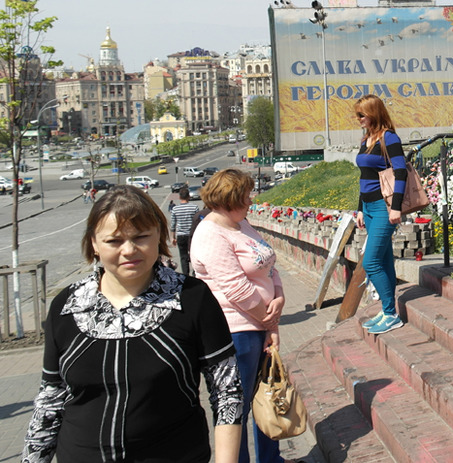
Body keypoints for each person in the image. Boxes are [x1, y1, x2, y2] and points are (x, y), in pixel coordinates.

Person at [23, 185, 243, 463]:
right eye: (114, 241)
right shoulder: (66, 306)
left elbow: (226, 392)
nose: (129, 250)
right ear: (94, 243)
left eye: (141, 237)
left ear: (159, 237)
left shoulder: (192, 298)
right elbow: (50, 402)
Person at [190, 169, 291, 463]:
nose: (250, 200)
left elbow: (268, 263)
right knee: (238, 407)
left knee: (267, 398)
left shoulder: (240, 224)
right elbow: (236, 288)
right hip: (236, 331)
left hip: (259, 324)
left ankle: (271, 459)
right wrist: (269, 321)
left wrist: (280, 295)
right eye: (245, 195)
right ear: (229, 198)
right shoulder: (210, 233)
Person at [353, 94, 408, 335]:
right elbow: (364, 177)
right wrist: (359, 208)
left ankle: (391, 314)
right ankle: (387, 310)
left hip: (384, 209)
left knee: (371, 262)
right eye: (357, 115)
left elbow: (401, 173)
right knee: (384, 260)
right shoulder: (367, 139)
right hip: (369, 208)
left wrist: (396, 207)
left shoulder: (389, 138)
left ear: (374, 114)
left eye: (362, 115)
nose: (359, 119)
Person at [171, 186, 200, 275]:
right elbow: (197, 222)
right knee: (194, 255)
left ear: (179, 197)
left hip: (181, 235)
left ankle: (185, 275)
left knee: (183, 257)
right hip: (192, 235)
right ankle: (195, 273)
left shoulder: (175, 209)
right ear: (189, 197)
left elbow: (173, 225)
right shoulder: (195, 208)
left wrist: (173, 238)